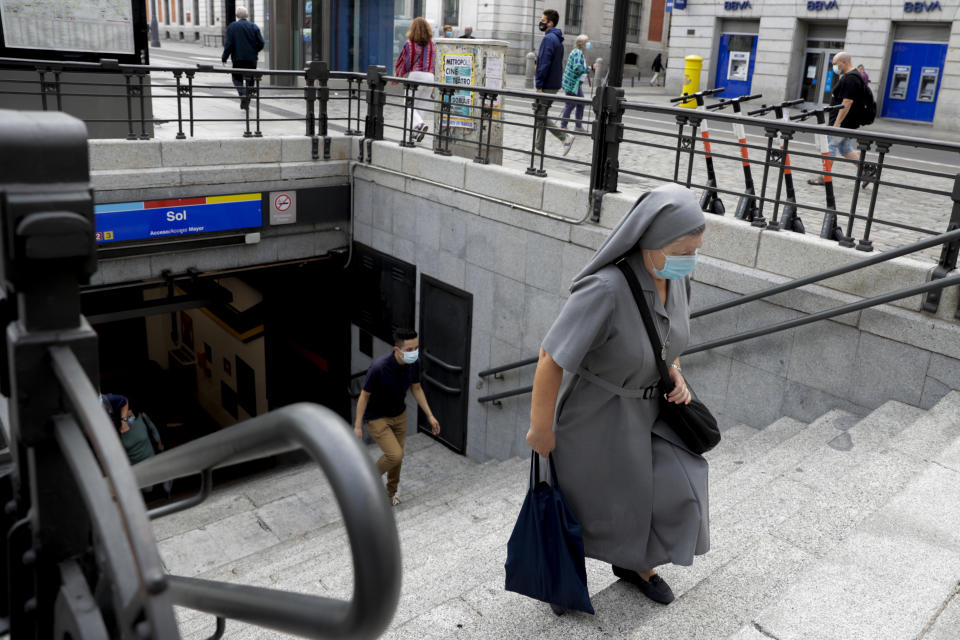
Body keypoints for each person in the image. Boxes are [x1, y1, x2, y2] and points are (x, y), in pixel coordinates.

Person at [526, 183, 709, 609]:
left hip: (651, 410)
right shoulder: (606, 289)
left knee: (667, 489)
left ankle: (634, 562)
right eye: (681, 251)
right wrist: (540, 428)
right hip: (595, 413)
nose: (689, 261)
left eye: (695, 250)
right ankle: (563, 579)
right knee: (580, 501)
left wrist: (676, 371)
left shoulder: (676, 279)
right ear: (649, 242)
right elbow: (551, 357)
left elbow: (667, 342)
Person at [354, 329, 441, 506]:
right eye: (409, 350)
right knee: (395, 455)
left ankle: (389, 494)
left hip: (399, 415)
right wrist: (357, 426)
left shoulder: (414, 363)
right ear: (397, 350)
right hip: (376, 417)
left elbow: (416, 388)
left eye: (416, 348)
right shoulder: (379, 367)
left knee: (397, 459)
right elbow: (364, 396)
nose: (414, 352)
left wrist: (430, 415)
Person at [808, 52, 866, 187]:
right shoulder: (850, 76)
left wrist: (837, 123)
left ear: (844, 62)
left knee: (830, 146)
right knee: (845, 148)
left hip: (842, 122)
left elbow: (847, 102)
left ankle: (824, 176)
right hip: (844, 121)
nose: (834, 67)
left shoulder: (851, 78)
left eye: (835, 64)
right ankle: (867, 170)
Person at [394, 17, 437, 145]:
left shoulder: (409, 44)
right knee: (421, 106)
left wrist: (399, 75)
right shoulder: (432, 44)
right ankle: (416, 132)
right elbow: (434, 64)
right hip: (430, 77)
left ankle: (419, 125)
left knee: (408, 103)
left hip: (416, 76)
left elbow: (405, 62)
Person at [534, 9, 567, 154]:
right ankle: (538, 147)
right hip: (553, 83)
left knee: (540, 114)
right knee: (542, 113)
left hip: (547, 84)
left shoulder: (548, 39)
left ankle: (564, 137)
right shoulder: (557, 39)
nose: (541, 22)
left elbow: (544, 63)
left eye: (543, 20)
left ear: (550, 23)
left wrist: (539, 84)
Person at [221, 7, 264, 110]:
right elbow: (261, 43)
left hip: (238, 59)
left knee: (236, 78)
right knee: (251, 79)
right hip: (251, 60)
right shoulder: (254, 26)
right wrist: (254, 51)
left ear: (236, 16)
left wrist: (224, 58)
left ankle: (242, 94)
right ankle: (247, 97)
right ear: (247, 15)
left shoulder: (232, 27)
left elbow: (229, 44)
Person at [559, 33, 595, 156]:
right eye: (587, 42)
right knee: (571, 104)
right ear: (582, 44)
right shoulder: (578, 53)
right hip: (572, 83)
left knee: (580, 103)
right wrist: (590, 68)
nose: (589, 44)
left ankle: (577, 126)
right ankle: (564, 126)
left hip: (574, 84)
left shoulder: (577, 52)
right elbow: (577, 68)